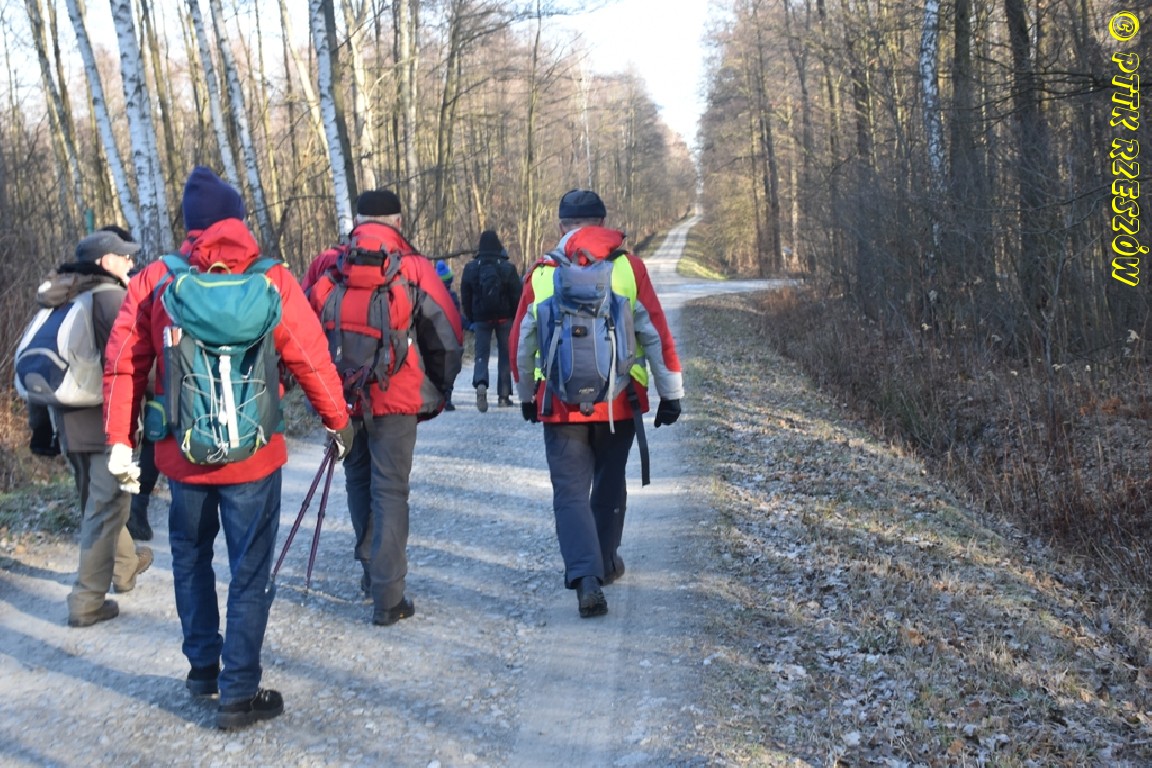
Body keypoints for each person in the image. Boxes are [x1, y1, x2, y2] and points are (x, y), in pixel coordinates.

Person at [102, 166, 355, 730]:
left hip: (182, 456)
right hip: (254, 457)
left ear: (190, 225)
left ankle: (203, 671)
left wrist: (119, 440)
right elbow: (310, 356)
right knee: (249, 568)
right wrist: (338, 423)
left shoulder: (156, 280)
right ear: (238, 221)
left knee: (191, 558)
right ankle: (239, 690)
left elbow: (122, 364)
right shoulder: (272, 279)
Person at [510, 190, 684, 618]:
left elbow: (521, 341)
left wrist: (528, 395)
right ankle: (605, 563)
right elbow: (654, 331)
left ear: (561, 225)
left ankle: (585, 576)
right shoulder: (628, 267)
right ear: (603, 222)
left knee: (570, 492)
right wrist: (671, 393)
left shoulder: (543, 272)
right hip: (618, 401)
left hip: (560, 403)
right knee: (609, 482)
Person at [308, 189, 463, 626]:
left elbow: (300, 327)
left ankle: (371, 571)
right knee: (391, 491)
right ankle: (388, 597)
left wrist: (317, 391)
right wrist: (438, 388)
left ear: (357, 221)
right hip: (396, 397)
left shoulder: (329, 265)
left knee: (358, 480)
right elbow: (447, 334)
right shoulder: (412, 267)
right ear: (398, 221)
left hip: (343, 396)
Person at [41, 230, 154, 627]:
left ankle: (124, 568)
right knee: (107, 509)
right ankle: (86, 601)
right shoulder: (110, 299)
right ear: (106, 262)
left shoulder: (63, 296)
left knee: (98, 503)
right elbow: (132, 362)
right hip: (106, 423)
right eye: (124, 257)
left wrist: (42, 428)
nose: (130, 263)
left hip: (67, 422)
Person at [460, 230, 521, 412]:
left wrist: (471, 317)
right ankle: (504, 396)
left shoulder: (471, 268)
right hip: (504, 318)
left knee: (481, 353)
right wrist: (514, 316)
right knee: (505, 355)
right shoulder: (508, 268)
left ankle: (481, 383)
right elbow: (516, 295)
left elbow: (465, 296)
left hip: (481, 318)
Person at [435, 259, 463, 411]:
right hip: (451, 335)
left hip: (435, 336)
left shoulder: (430, 296)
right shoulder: (452, 296)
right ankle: (448, 397)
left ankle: (438, 396)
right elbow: (457, 316)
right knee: (450, 367)